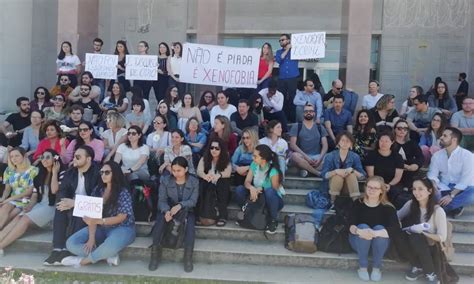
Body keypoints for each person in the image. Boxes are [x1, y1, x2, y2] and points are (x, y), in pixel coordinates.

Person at [61, 161, 135, 267]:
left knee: (110, 245)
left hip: (122, 227)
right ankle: (107, 256)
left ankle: (82, 261)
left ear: (115, 173)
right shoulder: (98, 190)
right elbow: (92, 215)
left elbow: (122, 217)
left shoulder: (123, 192)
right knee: (71, 243)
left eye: (107, 172)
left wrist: (98, 221)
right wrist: (91, 238)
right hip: (100, 227)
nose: (103, 175)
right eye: (102, 172)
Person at [43, 145, 100, 266]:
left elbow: (98, 199)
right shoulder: (71, 172)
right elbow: (62, 190)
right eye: (74, 156)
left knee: (79, 212)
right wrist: (65, 202)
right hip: (73, 203)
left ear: (88, 159)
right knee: (60, 209)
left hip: (91, 208)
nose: (74, 159)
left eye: (78, 157)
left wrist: (76, 203)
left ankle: (68, 249)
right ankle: (57, 249)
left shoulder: (98, 173)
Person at [0, 149, 64, 256]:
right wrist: (29, 206)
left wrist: (54, 172)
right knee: (18, 217)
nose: (44, 160)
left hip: (52, 206)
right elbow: (35, 194)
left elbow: (54, 190)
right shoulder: (40, 173)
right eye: (42, 157)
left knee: (25, 219)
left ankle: (2, 246)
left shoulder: (62, 173)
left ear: (55, 159)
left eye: (48, 157)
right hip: (40, 204)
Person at [148, 156, 199, 272]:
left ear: (186, 169)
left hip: (186, 210)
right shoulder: (165, 180)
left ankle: (188, 258)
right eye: (174, 170)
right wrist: (166, 211)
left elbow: (193, 201)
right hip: (169, 208)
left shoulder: (194, 181)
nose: (176, 173)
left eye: (179, 170)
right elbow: (162, 200)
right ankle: (155, 255)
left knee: (190, 226)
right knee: (161, 220)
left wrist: (180, 205)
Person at [348, 176, 399, 282]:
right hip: (358, 241)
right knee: (363, 226)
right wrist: (359, 231)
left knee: (380, 228)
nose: (371, 190)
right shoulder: (358, 203)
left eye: (375, 188)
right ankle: (362, 267)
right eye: (369, 187)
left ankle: (376, 268)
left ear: (381, 191)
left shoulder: (388, 208)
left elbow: (395, 230)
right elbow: (350, 224)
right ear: (365, 187)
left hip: (380, 244)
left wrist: (374, 233)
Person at [397, 178, 447, 284]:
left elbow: (442, 237)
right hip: (412, 243)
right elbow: (397, 217)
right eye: (414, 189)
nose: (416, 192)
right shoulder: (411, 204)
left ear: (429, 191)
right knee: (404, 235)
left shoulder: (438, 211)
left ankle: (429, 272)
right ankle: (418, 266)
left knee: (417, 237)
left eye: (420, 189)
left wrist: (424, 233)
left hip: (430, 245)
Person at [234, 144, 285, 234]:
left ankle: (273, 220)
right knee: (239, 190)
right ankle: (247, 213)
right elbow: (247, 182)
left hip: (272, 200)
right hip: (256, 196)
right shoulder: (253, 164)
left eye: (255, 156)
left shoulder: (273, 170)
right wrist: (252, 188)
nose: (253, 158)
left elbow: (275, 189)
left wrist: (261, 189)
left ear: (263, 160)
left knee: (269, 191)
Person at [427, 127, 474, 217]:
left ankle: (441, 209)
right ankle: (455, 207)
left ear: (454, 140)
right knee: (430, 190)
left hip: (463, 189)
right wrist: (434, 186)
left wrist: (451, 196)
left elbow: (466, 180)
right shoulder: (437, 155)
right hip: (444, 187)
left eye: (445, 136)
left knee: (472, 195)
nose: (441, 137)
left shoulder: (468, 156)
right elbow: (432, 175)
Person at [321, 132, 366, 204]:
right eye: (342, 140)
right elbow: (323, 175)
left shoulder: (355, 156)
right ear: (338, 142)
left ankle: (356, 202)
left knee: (351, 174)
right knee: (337, 176)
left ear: (351, 144)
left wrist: (353, 170)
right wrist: (335, 171)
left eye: (348, 141)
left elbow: (362, 176)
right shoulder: (330, 156)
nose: (345, 143)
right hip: (332, 187)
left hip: (348, 188)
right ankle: (333, 202)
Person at [0, 147, 38, 230]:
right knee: (5, 207)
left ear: (24, 156)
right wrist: (3, 198)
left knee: (12, 213)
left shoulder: (33, 170)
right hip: (12, 200)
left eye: (17, 156)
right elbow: (7, 189)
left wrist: (8, 199)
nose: (14, 158)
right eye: (11, 156)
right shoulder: (9, 170)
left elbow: (29, 192)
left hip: (26, 200)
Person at [196, 138, 232, 226]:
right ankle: (201, 214)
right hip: (208, 182)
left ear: (221, 149)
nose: (214, 150)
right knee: (203, 185)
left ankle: (222, 216)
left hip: (220, 183)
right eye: (212, 148)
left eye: (217, 148)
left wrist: (218, 175)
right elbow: (199, 171)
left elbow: (228, 172)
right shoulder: (205, 157)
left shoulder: (225, 157)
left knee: (222, 183)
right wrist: (205, 176)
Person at [365, 132, 405, 209]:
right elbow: (371, 175)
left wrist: (389, 185)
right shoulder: (371, 155)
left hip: (392, 184)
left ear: (392, 142)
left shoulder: (397, 157)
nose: (383, 143)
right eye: (381, 141)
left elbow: (397, 177)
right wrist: (380, 185)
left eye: (386, 141)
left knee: (394, 192)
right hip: (375, 183)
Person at [289, 103, 328, 177]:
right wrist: (307, 157)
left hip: (317, 157)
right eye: (306, 111)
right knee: (294, 156)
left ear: (314, 113)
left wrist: (320, 158)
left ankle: (307, 171)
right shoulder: (297, 126)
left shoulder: (320, 127)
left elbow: (325, 145)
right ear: (303, 113)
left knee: (330, 158)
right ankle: (317, 173)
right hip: (302, 156)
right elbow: (292, 144)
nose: (308, 113)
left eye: (310, 111)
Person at [393, 119, 424, 189]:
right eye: (399, 128)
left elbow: (420, 157)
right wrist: (404, 166)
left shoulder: (412, 143)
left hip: (409, 171)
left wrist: (416, 165)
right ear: (394, 129)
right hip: (394, 169)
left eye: (405, 129)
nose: (402, 130)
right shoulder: (390, 142)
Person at [275, 34, 300, 122]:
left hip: (292, 77)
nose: (281, 41)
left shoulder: (295, 51)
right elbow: (279, 59)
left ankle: (292, 119)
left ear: (288, 40)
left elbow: (308, 52)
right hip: (282, 78)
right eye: (280, 40)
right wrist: (288, 49)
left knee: (293, 99)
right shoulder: (279, 52)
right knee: (282, 98)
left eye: (283, 40)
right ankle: (283, 120)